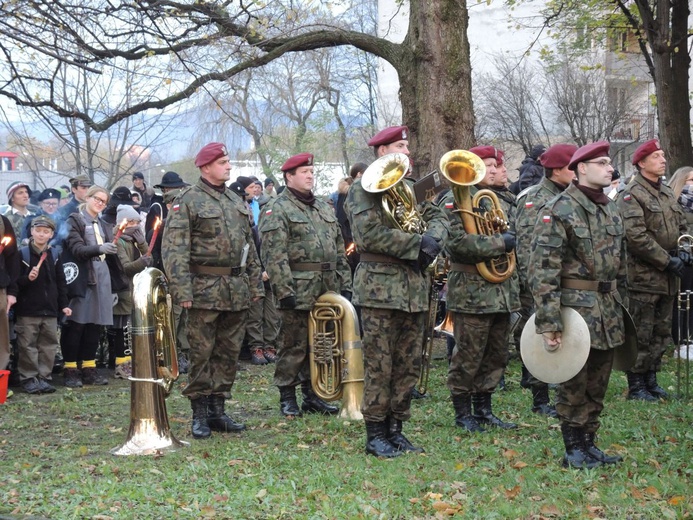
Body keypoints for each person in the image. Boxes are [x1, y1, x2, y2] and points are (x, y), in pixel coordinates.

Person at [345, 125, 448, 457]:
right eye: (400, 146)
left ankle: (396, 429)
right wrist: (417, 243)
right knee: (380, 364)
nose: (407, 151)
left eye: (407, 145)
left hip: (414, 289)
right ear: (382, 152)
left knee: (407, 364)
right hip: (379, 289)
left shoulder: (411, 188)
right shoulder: (362, 190)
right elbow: (367, 235)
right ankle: (375, 433)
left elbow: (438, 217)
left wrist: (433, 237)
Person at [529, 141, 626, 469]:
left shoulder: (610, 207)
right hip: (575, 309)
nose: (609, 168)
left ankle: (590, 442)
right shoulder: (559, 208)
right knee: (575, 380)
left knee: (599, 380)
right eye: (601, 163)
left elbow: (618, 261)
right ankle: (573, 447)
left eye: (609, 163)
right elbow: (543, 269)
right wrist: (549, 322)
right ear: (581, 168)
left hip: (607, 308)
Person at [162, 142, 264, 439]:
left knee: (228, 352)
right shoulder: (188, 200)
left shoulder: (235, 201)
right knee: (201, 353)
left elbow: (250, 247)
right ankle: (200, 413)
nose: (229, 167)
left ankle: (218, 410)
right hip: (203, 289)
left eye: (228, 161)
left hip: (235, 289)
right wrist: (182, 290)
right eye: (223, 162)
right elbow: (174, 251)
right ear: (206, 167)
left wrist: (255, 283)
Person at [259, 152, 351, 417]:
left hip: (326, 287)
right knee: (293, 344)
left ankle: (314, 395)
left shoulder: (323, 207)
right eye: (304, 172)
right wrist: (283, 290)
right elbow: (274, 255)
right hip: (297, 286)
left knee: (321, 342)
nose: (310, 175)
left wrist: (345, 285)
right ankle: (288, 396)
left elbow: (339, 250)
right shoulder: (278, 208)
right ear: (289, 177)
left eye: (311, 171)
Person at [443, 145, 519, 434]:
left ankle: (484, 410)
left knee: (496, 353)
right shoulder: (453, 201)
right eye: (486, 166)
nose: (493, 170)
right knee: (468, 355)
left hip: (500, 291)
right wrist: (501, 243)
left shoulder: (493, 201)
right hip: (472, 293)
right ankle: (463, 412)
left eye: (494, 165)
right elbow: (457, 244)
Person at [616, 139, 689, 401]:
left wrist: (684, 250)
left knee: (661, 329)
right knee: (641, 331)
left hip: (668, 275)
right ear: (642, 163)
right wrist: (666, 260)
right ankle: (636, 385)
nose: (663, 159)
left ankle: (651, 380)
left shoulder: (667, 192)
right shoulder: (631, 193)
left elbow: (681, 223)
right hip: (643, 277)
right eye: (656, 156)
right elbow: (635, 236)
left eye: (662, 155)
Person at [514, 144, 577, 416]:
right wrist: (538, 286)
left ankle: (564, 389)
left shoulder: (573, 197)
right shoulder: (535, 198)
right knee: (540, 337)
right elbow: (530, 249)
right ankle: (539, 398)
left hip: (570, 282)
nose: (577, 173)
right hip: (540, 283)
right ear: (557, 170)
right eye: (572, 168)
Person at [61, 185, 120, 388]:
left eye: (104, 201)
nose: (100, 204)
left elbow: (111, 258)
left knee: (95, 324)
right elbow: (76, 249)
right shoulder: (75, 220)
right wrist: (99, 248)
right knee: (77, 324)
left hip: (102, 278)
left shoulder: (103, 224)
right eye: (97, 199)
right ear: (88, 197)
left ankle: (89, 367)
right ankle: (70, 368)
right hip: (83, 278)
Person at [15, 216, 71, 394]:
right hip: (28, 310)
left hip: (50, 310)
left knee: (48, 345)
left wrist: (64, 305)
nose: (41, 234)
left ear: (51, 234)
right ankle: (29, 378)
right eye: (38, 230)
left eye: (45, 232)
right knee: (27, 345)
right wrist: (27, 279)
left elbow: (61, 282)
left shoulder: (54, 255)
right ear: (31, 231)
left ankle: (44, 377)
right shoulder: (22, 254)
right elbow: (15, 283)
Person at [667, 166, 693, 349]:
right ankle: (682, 339)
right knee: (683, 299)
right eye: (691, 181)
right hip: (684, 258)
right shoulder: (673, 204)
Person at [0, 214, 20, 381]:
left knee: (1, 336)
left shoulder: (2, 222)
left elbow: (12, 257)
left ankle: (0, 375)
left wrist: (12, 292)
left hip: (0, 289)